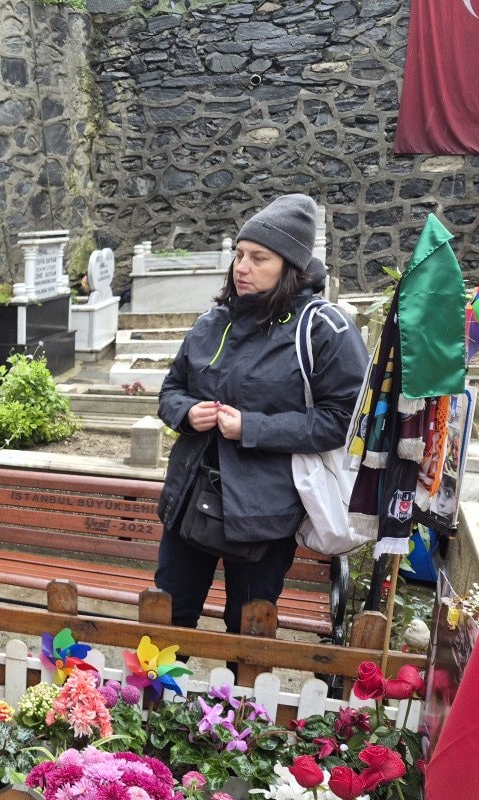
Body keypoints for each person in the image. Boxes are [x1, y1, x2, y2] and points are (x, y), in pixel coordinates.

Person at [154, 194, 368, 634]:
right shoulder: (211, 322)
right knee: (167, 623)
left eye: (258, 258)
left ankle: (242, 686)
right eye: (239, 255)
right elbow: (171, 389)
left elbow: (344, 420)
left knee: (248, 632)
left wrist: (252, 427)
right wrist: (187, 412)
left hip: (264, 515)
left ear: (290, 266)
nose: (242, 267)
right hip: (189, 500)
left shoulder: (324, 329)